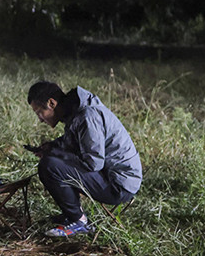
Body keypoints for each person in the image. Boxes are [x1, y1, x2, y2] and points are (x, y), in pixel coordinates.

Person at [26, 81, 142, 237]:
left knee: (49, 165)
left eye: (39, 112)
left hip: (119, 185)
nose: (40, 119)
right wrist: (53, 146)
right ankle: (72, 215)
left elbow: (93, 163)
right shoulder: (75, 111)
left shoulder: (88, 116)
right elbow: (77, 140)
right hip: (111, 176)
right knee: (54, 161)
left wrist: (55, 154)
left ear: (51, 103)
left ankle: (78, 221)